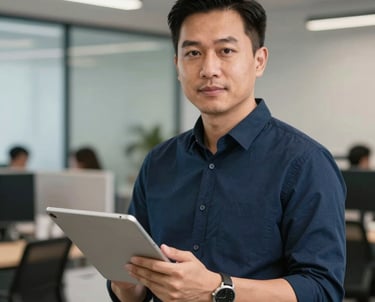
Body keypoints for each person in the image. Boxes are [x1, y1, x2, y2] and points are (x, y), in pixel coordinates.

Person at [107, 0, 346, 301]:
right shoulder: (159, 162)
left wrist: (216, 287)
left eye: (226, 51)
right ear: (177, 65)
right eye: (193, 53)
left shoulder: (305, 163)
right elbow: (135, 292)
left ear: (259, 61)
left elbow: (322, 290)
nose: (209, 69)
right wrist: (128, 285)